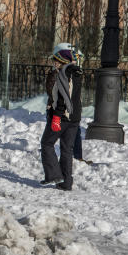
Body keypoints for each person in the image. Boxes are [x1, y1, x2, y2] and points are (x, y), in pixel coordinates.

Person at [39, 44, 83, 191]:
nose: (54, 63)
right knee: (67, 150)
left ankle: (54, 175)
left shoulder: (64, 73)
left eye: (57, 61)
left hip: (62, 116)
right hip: (74, 118)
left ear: (63, 61)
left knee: (47, 143)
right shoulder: (77, 73)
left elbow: (63, 98)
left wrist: (57, 116)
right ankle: (66, 182)